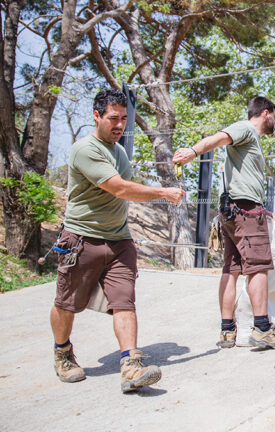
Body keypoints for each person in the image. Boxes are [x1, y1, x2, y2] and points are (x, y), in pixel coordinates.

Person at [50, 89, 185, 393]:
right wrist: (163, 192)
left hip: (119, 240)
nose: (120, 124)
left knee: (125, 301)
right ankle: (62, 352)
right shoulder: (85, 149)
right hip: (82, 238)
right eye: (113, 118)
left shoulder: (119, 152)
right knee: (67, 303)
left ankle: (130, 365)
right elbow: (120, 189)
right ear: (96, 116)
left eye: (124, 118)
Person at [172, 96, 275, 350]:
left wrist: (264, 210)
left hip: (234, 211)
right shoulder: (246, 129)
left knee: (232, 269)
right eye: (274, 116)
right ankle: (262, 329)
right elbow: (218, 138)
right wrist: (193, 152)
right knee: (258, 267)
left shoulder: (251, 140)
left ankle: (227, 330)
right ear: (266, 113)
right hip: (246, 211)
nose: (274, 121)